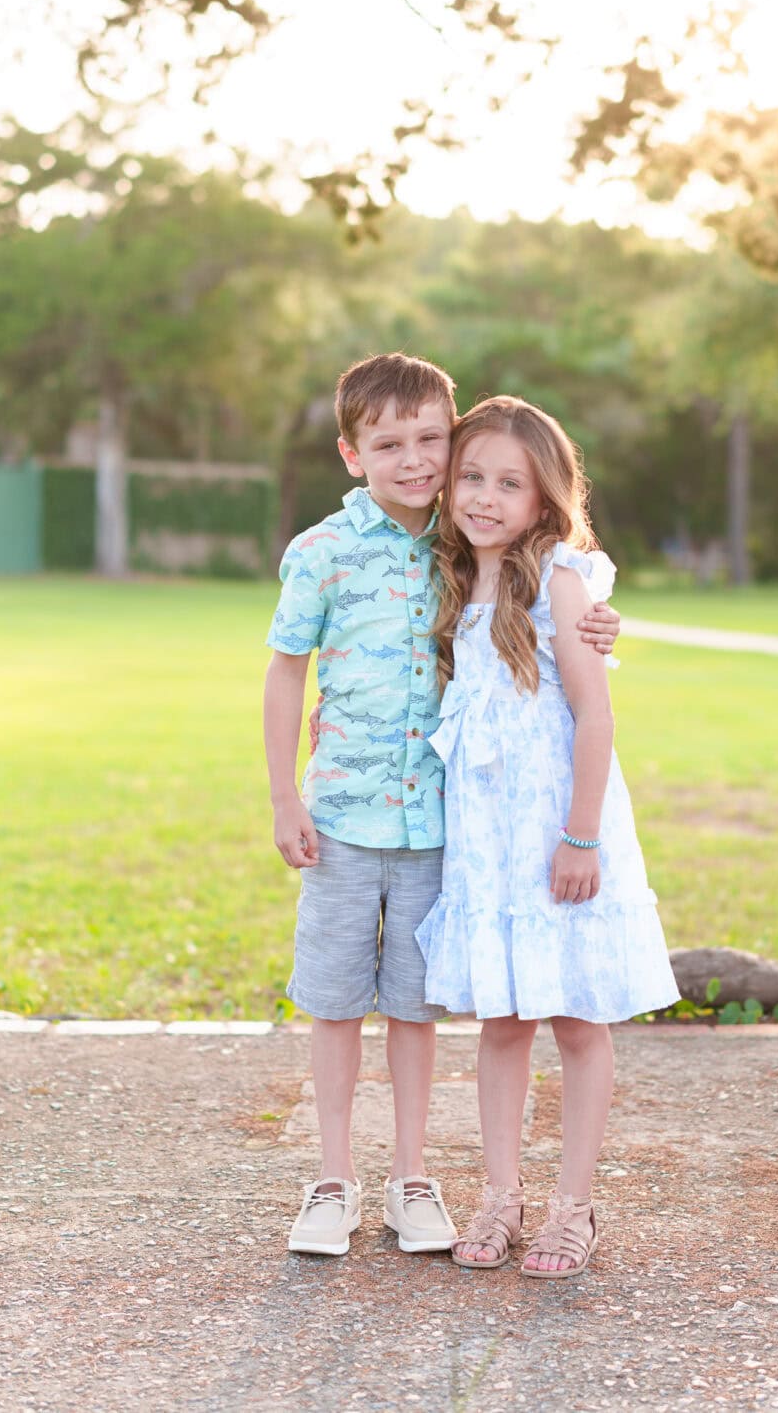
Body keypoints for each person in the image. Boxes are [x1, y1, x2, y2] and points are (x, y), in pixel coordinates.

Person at [263, 355, 621, 1257]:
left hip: (449, 828)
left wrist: (605, 623)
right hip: (347, 816)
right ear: (353, 453)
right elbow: (288, 670)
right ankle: (334, 1178)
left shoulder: (466, 552)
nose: (418, 460)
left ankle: (414, 1177)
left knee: (418, 1008)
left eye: (433, 440)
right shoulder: (327, 553)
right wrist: (282, 793)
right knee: (338, 1000)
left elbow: (558, 614)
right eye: (392, 444)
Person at [415, 395, 680, 1280]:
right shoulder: (454, 577)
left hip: (564, 834)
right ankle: (501, 1194)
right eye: (473, 477)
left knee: (575, 1018)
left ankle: (574, 1207)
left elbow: (594, 716)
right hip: (487, 847)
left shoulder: (558, 579)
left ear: (544, 500)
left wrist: (581, 837)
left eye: (510, 484)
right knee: (501, 1021)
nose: (486, 497)